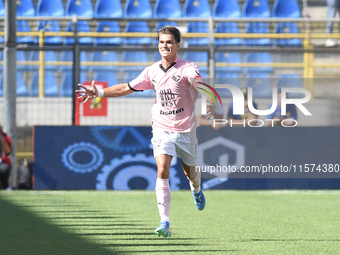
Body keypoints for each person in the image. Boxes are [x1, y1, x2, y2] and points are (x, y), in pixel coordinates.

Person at [76, 26, 215, 238]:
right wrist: (100, 92)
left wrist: (207, 95)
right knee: (162, 169)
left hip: (185, 129)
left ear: (178, 45)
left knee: (191, 174)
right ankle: (165, 222)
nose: (165, 45)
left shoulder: (187, 67)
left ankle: (196, 190)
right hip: (161, 129)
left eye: (169, 42)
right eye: (161, 42)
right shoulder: (152, 71)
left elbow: (199, 82)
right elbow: (127, 87)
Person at [0, 125, 12, 190]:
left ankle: (5, 185)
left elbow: (8, 151)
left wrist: (1, 139)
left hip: (1, 163)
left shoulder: (5, 137)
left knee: (5, 168)